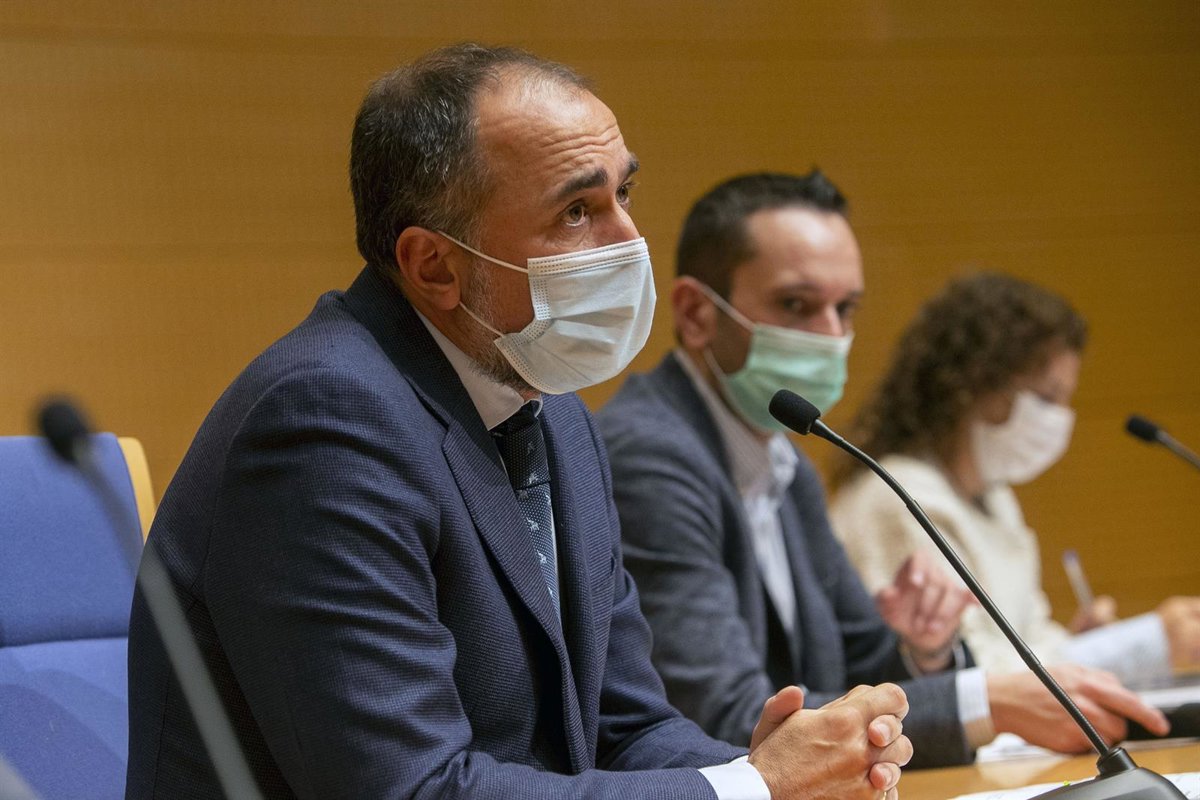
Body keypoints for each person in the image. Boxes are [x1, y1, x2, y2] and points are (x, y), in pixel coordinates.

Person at [125, 45, 913, 800]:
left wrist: (779, 772)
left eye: (625, 194)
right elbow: (411, 788)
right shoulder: (324, 429)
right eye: (576, 212)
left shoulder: (554, 411)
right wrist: (756, 787)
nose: (629, 242)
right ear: (434, 265)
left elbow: (625, 728)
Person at [597, 171, 1170, 769]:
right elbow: (727, 715)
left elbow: (866, 665)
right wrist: (985, 702)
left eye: (845, 308)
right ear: (695, 313)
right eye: (796, 305)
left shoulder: (782, 460)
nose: (832, 335)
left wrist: (925, 650)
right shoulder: (652, 457)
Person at [830, 272, 1200, 685]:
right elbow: (961, 674)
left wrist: (1088, 646)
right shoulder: (897, 496)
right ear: (974, 383)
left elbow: (1028, 640)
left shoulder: (995, 497)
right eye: (1045, 398)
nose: (1059, 419)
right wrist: (1143, 646)